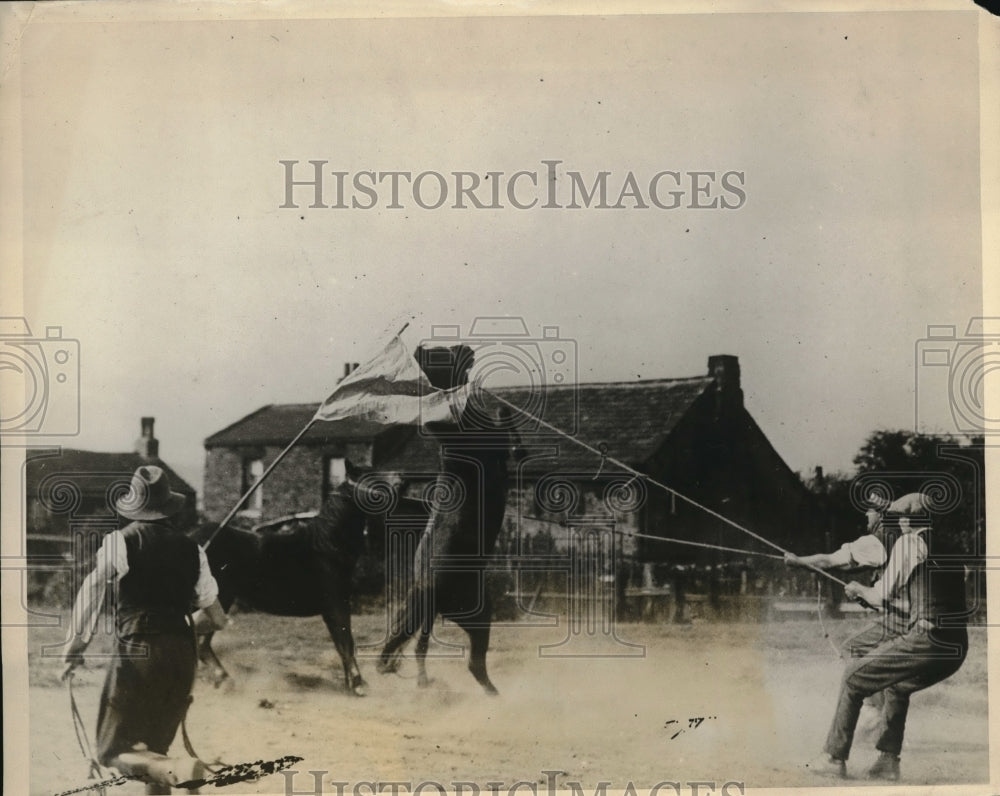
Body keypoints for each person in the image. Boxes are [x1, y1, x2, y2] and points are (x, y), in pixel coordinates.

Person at [61, 465, 227, 794]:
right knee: (155, 752)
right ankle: (174, 768)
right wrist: (179, 629)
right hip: (182, 656)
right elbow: (218, 619)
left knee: (111, 751)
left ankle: (178, 768)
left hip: (137, 654)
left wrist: (75, 647)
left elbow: (93, 589)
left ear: (135, 505)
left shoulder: (121, 542)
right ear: (168, 506)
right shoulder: (194, 550)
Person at [809, 492, 966, 781]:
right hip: (956, 646)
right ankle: (886, 761)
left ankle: (833, 758)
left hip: (926, 640)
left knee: (853, 676)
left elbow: (881, 595)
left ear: (909, 520)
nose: (897, 522)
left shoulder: (910, 542)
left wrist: (859, 590)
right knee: (897, 686)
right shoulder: (949, 546)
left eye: (900, 517)